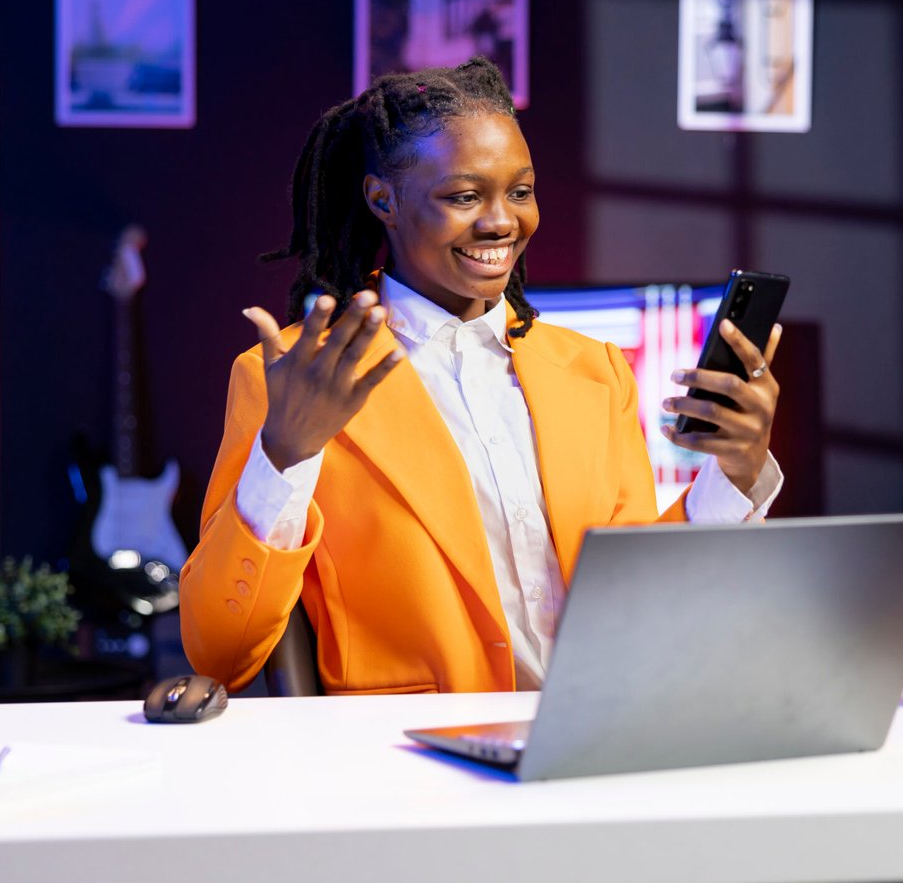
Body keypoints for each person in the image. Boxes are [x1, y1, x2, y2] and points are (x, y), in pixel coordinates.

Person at [179, 57, 783, 694]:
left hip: (596, 731)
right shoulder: (296, 378)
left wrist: (737, 473)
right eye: (464, 196)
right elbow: (220, 653)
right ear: (382, 198)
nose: (501, 221)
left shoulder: (594, 371)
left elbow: (640, 599)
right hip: (407, 765)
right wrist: (285, 456)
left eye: (520, 191)